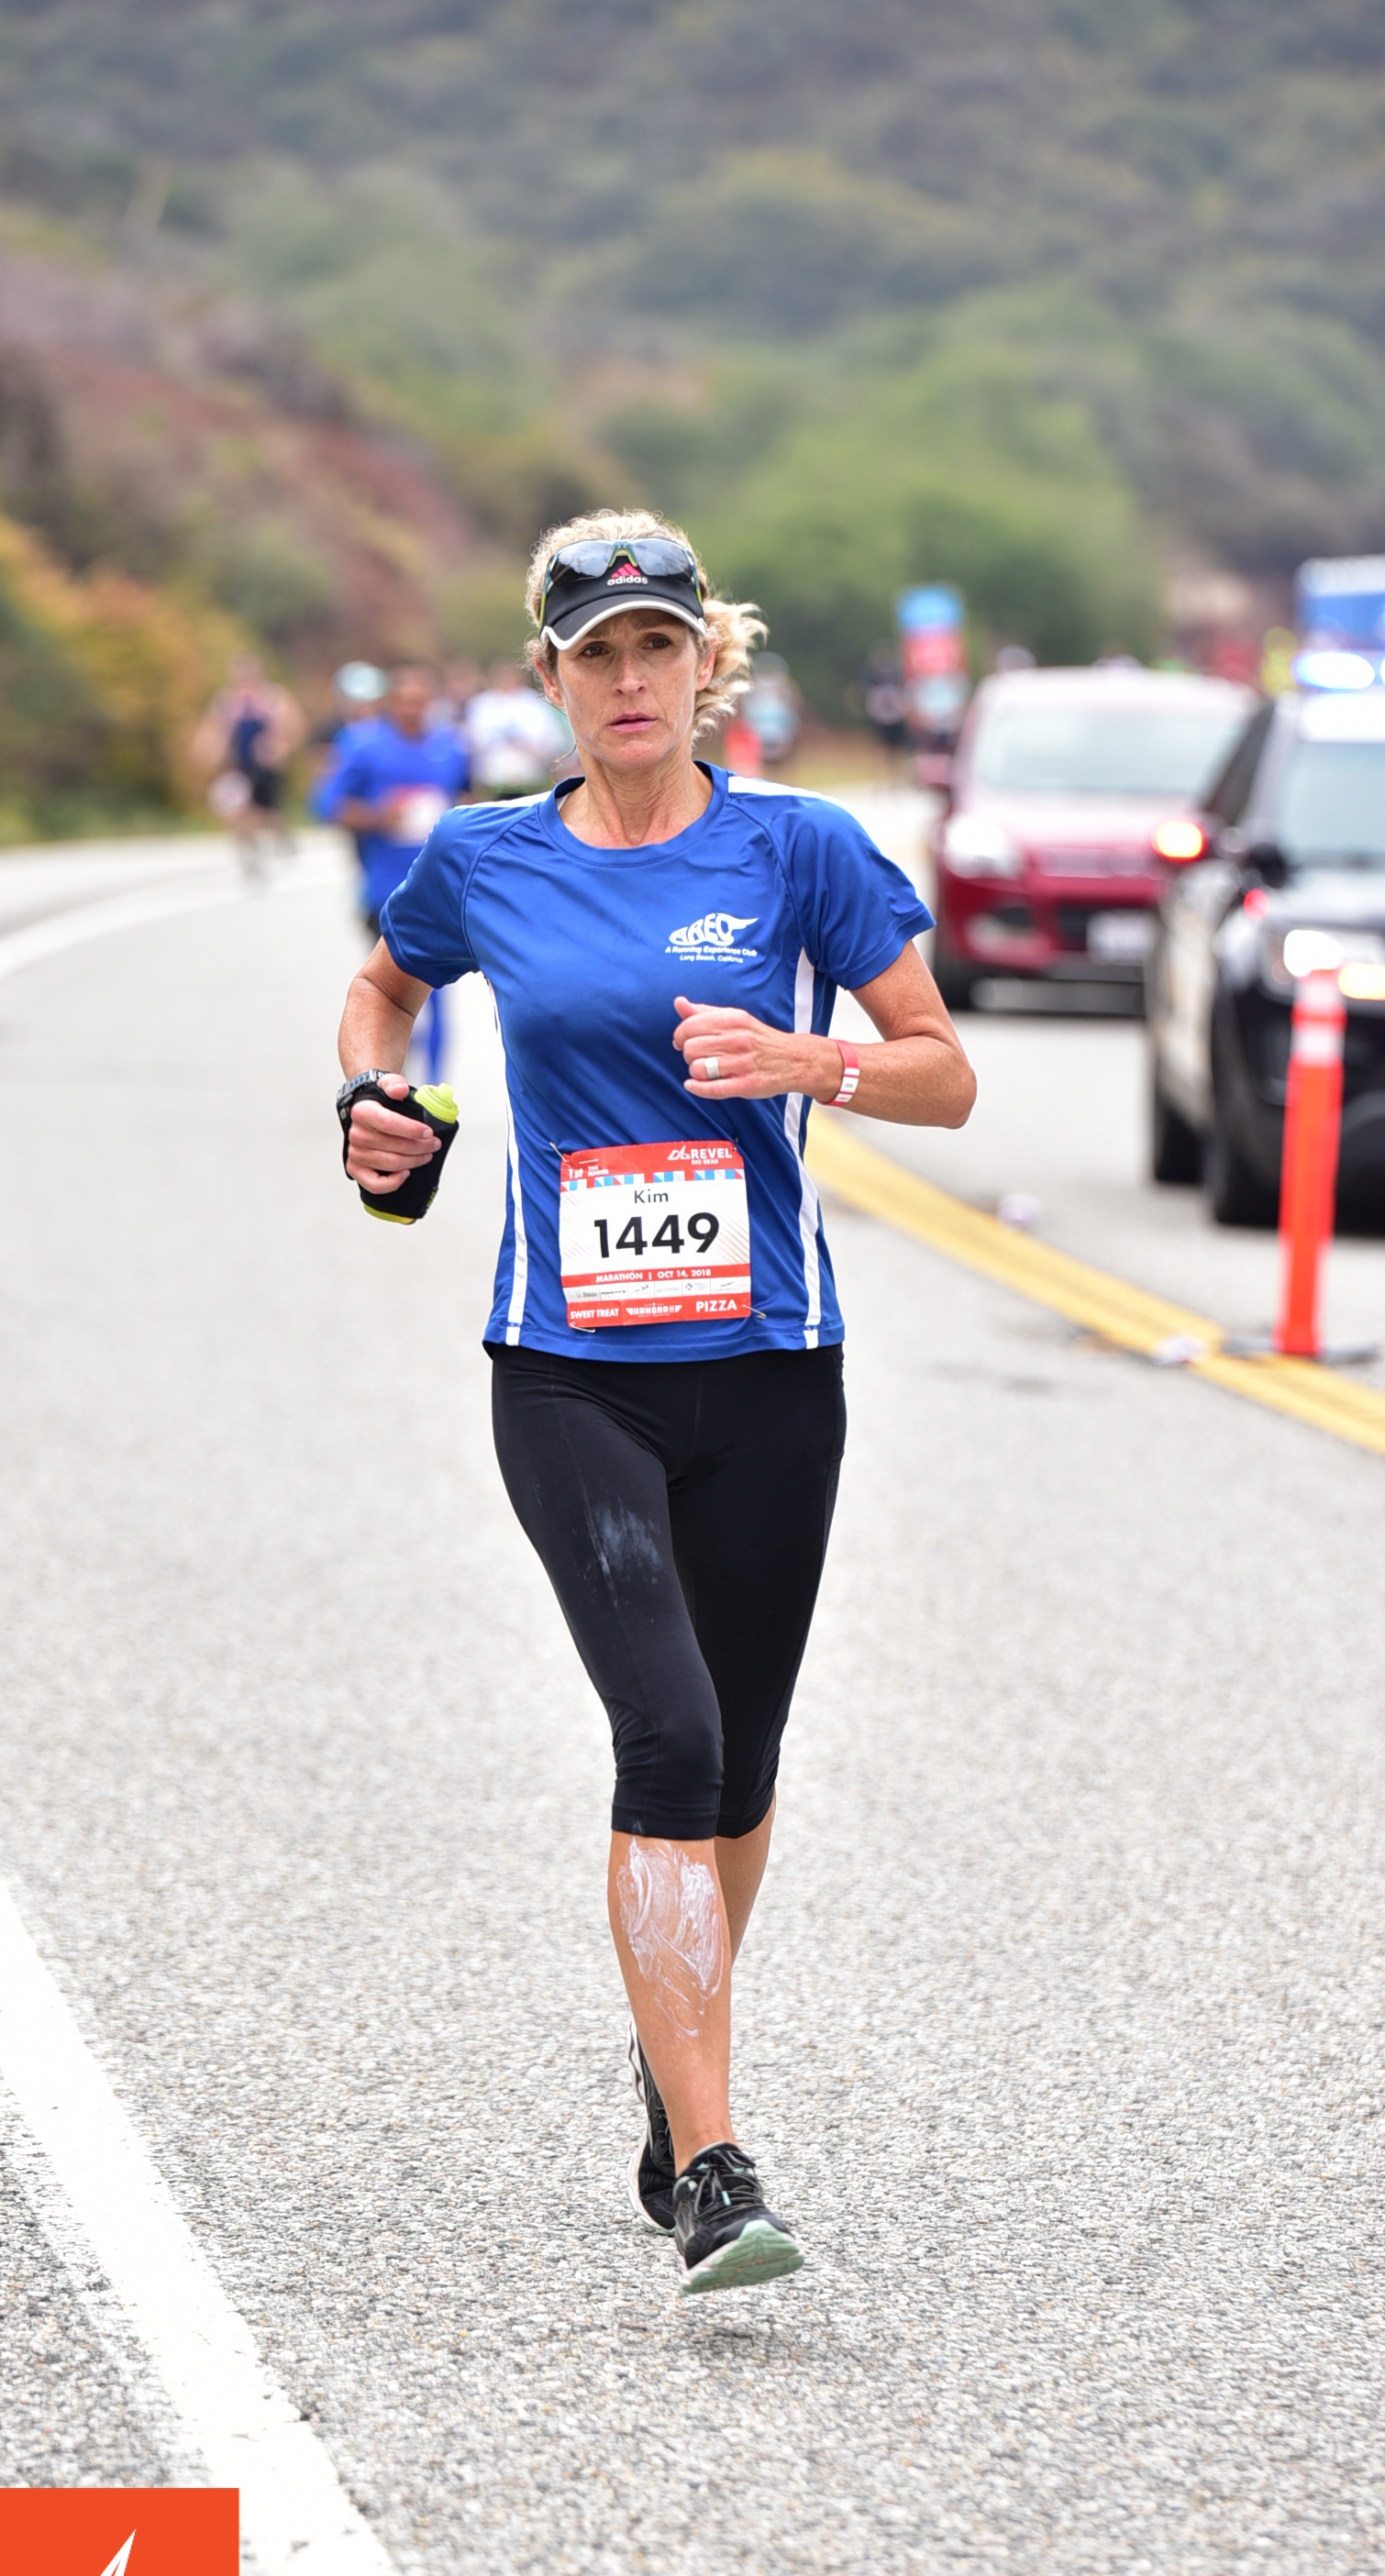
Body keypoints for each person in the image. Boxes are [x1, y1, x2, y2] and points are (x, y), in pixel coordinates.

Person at [336, 511, 975, 2294]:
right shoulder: (481, 860)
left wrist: (807, 1059)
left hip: (768, 1372)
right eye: (594, 653)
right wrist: (376, 1103)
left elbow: (943, 1074)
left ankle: (666, 2057)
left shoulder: (799, 849)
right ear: (547, 680)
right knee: (668, 1739)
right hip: (569, 1375)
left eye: (656, 647)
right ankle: (710, 2168)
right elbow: (383, 991)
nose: (628, 680)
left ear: (707, 665)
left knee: (742, 1766)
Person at [316, 663, 468, 1084]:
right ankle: (386, 1083)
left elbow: (468, 796)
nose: (413, 708)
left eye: (421, 700)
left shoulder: (449, 747)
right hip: (384, 892)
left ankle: (434, 1087)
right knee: (388, 995)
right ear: (390, 703)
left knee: (437, 995)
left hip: (440, 895)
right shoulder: (363, 745)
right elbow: (326, 805)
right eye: (405, 701)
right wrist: (380, 817)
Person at [191, 655, 302, 883]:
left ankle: (281, 835)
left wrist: (280, 747)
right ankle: (250, 855)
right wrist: (208, 752)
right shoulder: (225, 702)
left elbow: (295, 727)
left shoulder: (273, 698)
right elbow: (211, 732)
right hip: (238, 767)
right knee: (236, 812)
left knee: (267, 813)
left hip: (266, 768)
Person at [462, 656, 571, 800]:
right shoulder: (481, 704)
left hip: (531, 785)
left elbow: (551, 741)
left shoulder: (535, 703)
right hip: (491, 786)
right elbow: (472, 742)